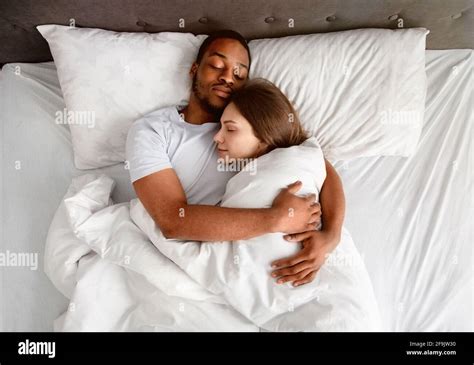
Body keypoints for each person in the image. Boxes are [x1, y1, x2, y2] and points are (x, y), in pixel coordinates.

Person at [126, 30, 345, 287]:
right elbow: (173, 220)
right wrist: (275, 219)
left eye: (239, 73)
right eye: (217, 65)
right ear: (194, 69)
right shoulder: (153, 130)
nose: (227, 77)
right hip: (204, 260)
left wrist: (331, 235)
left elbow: (317, 164)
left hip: (268, 262)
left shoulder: (253, 120)